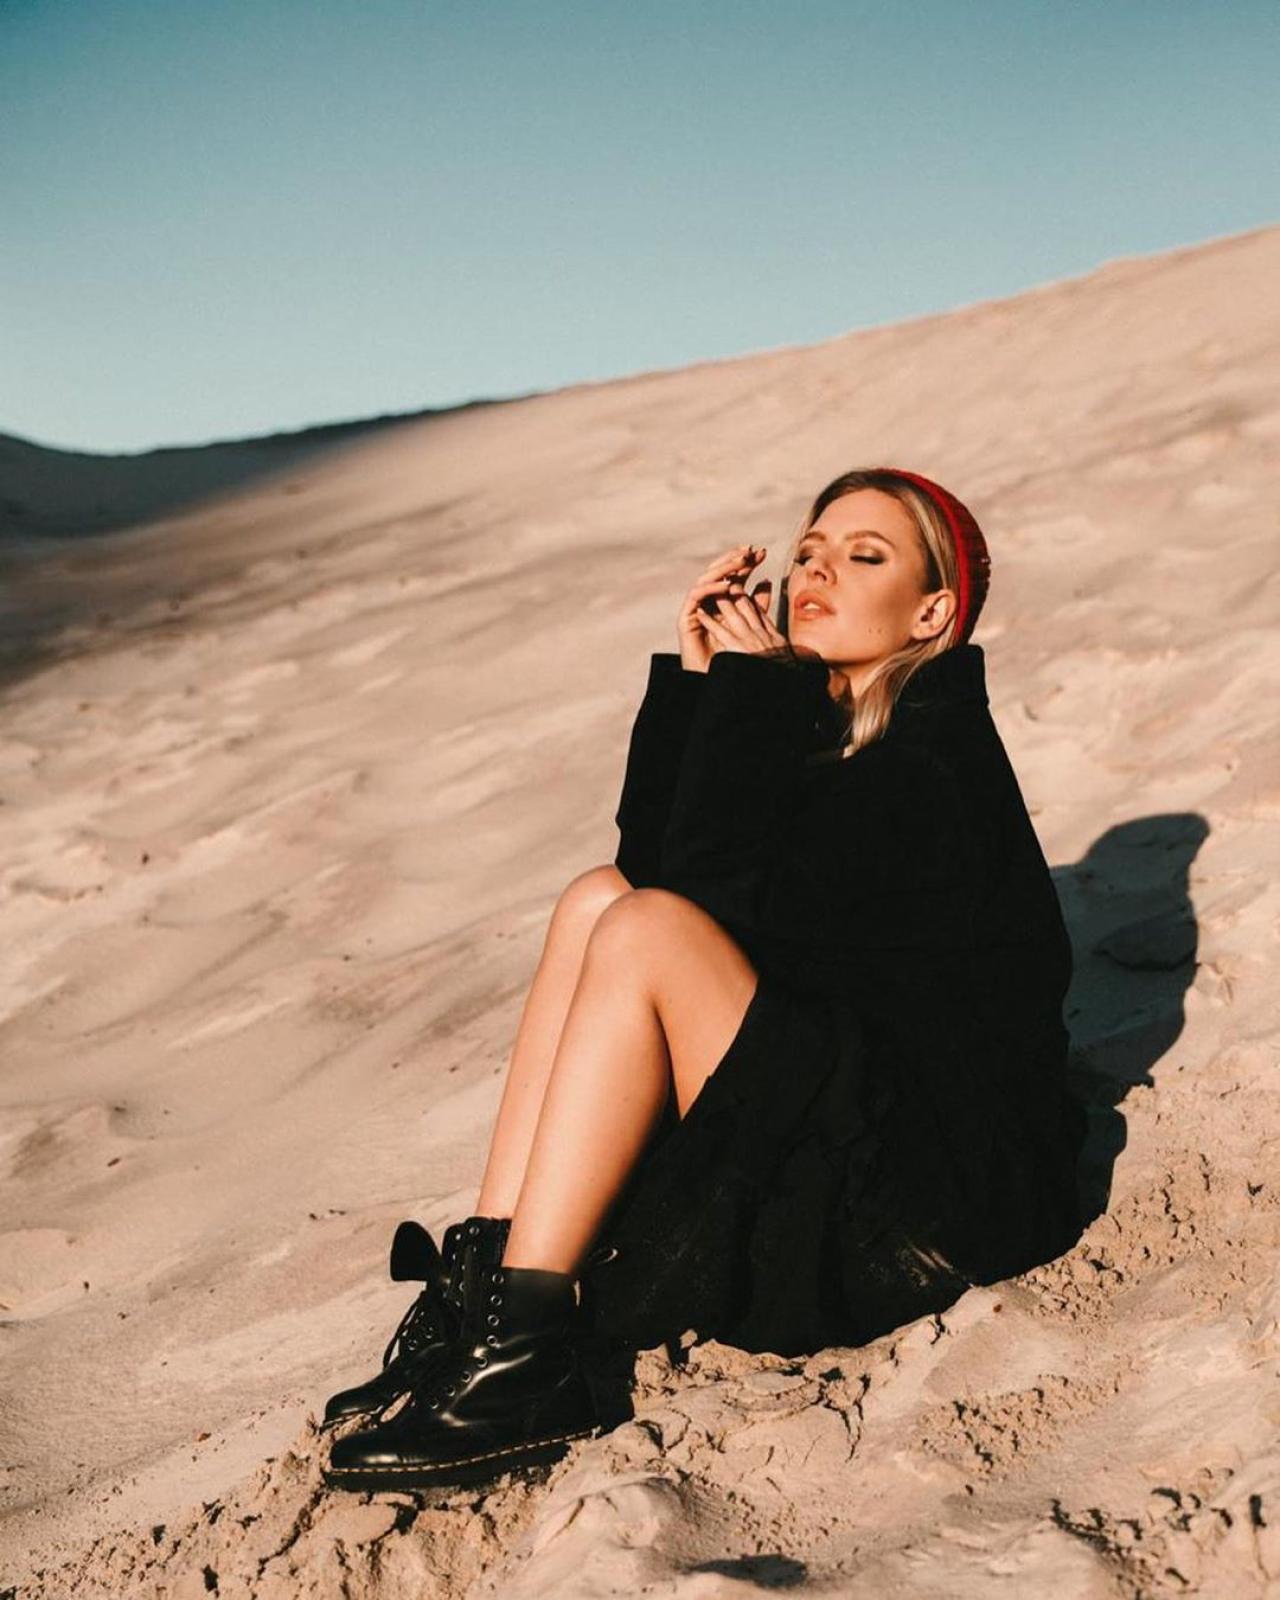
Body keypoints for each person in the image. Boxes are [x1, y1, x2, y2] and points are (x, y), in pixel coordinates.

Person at [321, 466, 1089, 1495]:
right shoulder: (825, 738)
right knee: (599, 900)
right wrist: (698, 687)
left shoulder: (934, 757)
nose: (815, 573)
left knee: (642, 927)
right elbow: (657, 870)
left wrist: (749, 695)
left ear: (931, 613)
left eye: (864, 556)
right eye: (807, 553)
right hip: (845, 1121)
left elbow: (700, 899)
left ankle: (527, 1351)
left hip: (918, 1214)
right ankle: (482, 1298)